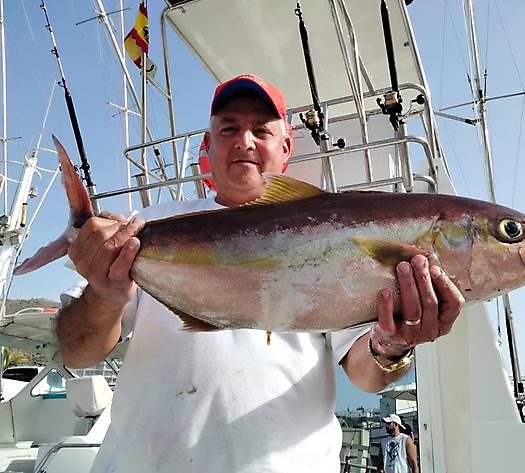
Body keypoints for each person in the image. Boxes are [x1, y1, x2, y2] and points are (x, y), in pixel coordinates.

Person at [56, 74, 464, 473]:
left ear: (286, 147)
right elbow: (77, 351)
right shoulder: (147, 227)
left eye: (261, 131)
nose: (244, 141)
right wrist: (105, 295)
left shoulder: (331, 229)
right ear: (208, 144)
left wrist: (392, 347)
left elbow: (364, 373)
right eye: (229, 128)